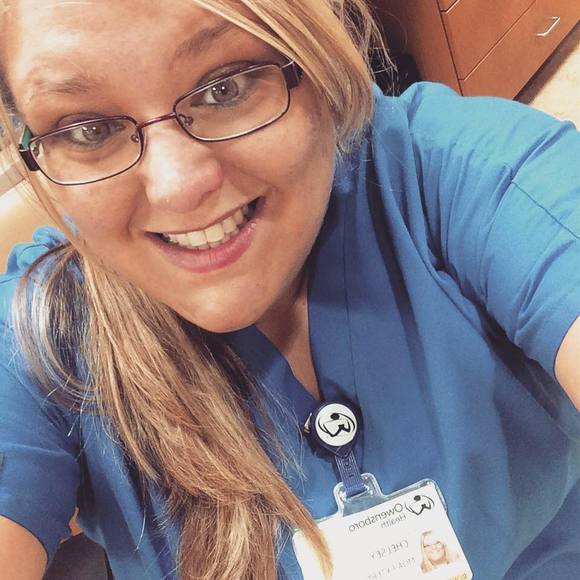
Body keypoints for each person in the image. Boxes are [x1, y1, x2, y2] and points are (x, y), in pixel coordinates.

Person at [0, 1, 578, 579]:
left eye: (226, 87)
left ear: (313, 54)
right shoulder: (38, 335)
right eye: (89, 130)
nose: (178, 187)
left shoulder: (471, 177)